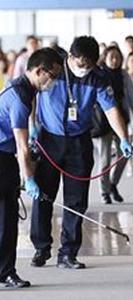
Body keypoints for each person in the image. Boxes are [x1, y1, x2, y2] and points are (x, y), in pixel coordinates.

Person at [30, 36, 133, 270]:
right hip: (49, 139)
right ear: (71, 57)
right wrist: (32, 123)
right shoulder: (52, 67)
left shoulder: (98, 78)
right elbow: (33, 92)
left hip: (79, 142)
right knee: (44, 195)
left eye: (89, 65)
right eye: (80, 65)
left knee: (76, 200)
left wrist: (124, 138)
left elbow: (111, 110)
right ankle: (41, 246)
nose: (84, 70)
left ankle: (68, 252)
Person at [0, 48, 62, 288]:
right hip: (3, 157)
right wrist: (30, 178)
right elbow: (21, 147)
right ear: (38, 70)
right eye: (52, 75)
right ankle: (5, 272)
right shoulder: (19, 97)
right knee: (6, 219)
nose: (53, 81)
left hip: (5, 154)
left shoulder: (23, 88)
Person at [93, 45, 133, 204]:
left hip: (121, 120)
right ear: (105, 57)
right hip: (103, 122)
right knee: (104, 159)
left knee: (124, 155)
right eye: (111, 57)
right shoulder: (98, 74)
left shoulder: (123, 75)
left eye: (117, 57)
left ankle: (113, 184)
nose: (114, 60)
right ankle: (104, 192)